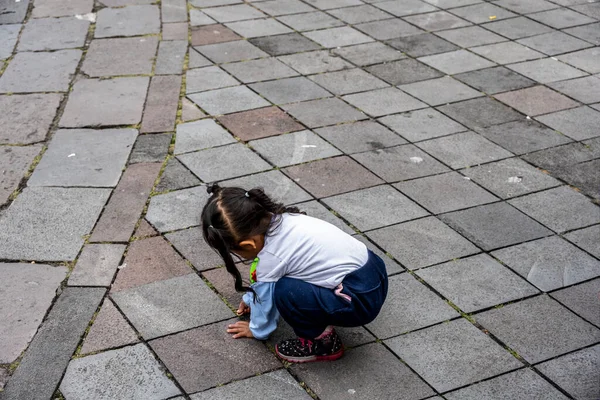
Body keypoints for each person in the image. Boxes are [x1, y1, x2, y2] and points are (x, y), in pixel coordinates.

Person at [201, 184, 388, 363]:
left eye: (236, 253)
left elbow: (266, 297)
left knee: (284, 290)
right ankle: (326, 310)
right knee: (288, 277)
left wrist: (257, 330)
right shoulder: (286, 219)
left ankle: (322, 344)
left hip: (357, 300)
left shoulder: (271, 257)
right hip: (374, 272)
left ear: (248, 245)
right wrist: (251, 299)